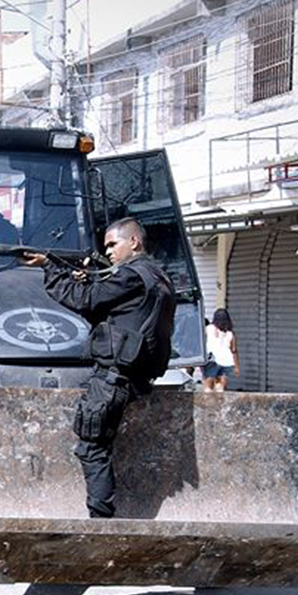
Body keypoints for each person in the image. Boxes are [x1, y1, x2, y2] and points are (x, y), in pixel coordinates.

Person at [21, 217, 175, 519]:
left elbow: (85, 300)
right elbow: (119, 311)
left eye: (113, 244)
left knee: (92, 448)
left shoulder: (131, 276)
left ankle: (100, 523)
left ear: (134, 242)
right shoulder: (157, 276)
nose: (109, 252)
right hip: (137, 379)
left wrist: (50, 267)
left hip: (113, 379)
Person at [203, 308, 239, 392]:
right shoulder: (230, 333)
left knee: (208, 386)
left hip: (212, 359)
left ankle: (208, 403)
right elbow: (234, 350)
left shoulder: (207, 329)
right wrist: (237, 367)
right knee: (220, 385)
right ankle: (218, 403)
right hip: (226, 361)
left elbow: (201, 343)